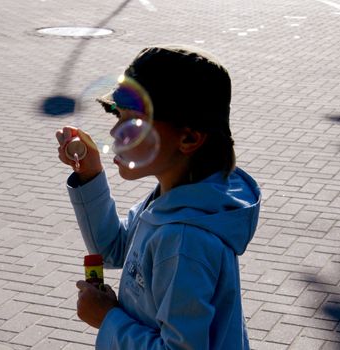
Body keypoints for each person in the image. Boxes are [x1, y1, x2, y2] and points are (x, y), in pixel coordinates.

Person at [55, 44, 261, 349]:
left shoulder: (184, 238)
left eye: (132, 121)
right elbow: (112, 249)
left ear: (189, 138)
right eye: (116, 115)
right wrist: (90, 174)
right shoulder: (173, 198)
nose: (115, 133)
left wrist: (108, 318)